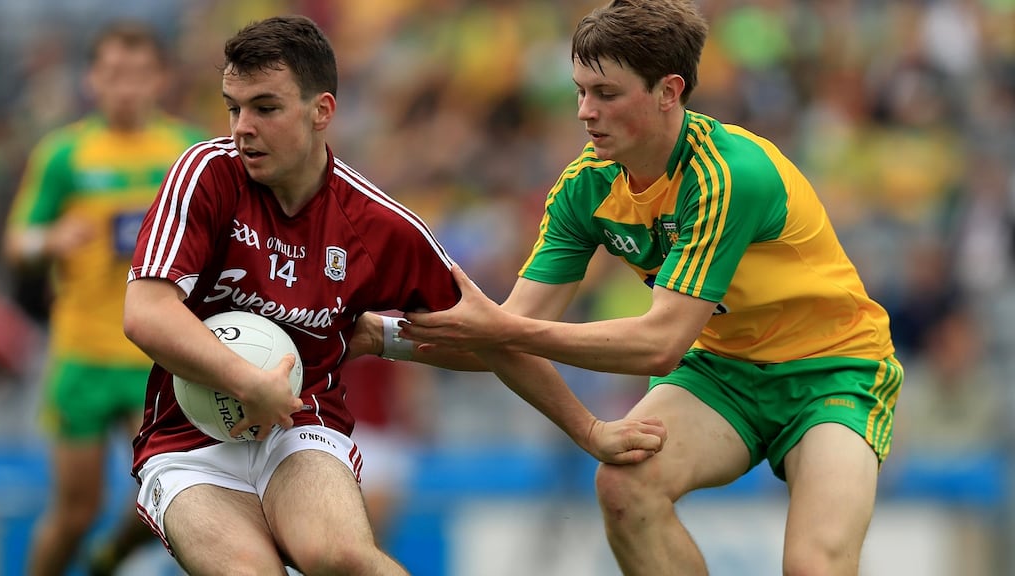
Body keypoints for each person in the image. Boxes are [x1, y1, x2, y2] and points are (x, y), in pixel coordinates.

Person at [121, 15, 665, 575]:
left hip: (301, 426)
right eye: (234, 107)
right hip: (188, 442)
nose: (242, 127)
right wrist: (247, 382)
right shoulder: (205, 175)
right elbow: (145, 314)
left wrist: (590, 429)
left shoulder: (381, 226)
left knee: (344, 558)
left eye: (266, 107)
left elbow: (490, 342)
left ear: (322, 111)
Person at [375, 1, 904, 574]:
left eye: (606, 94)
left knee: (813, 565)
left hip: (831, 369)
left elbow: (657, 344)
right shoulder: (585, 188)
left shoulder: (729, 174)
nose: (584, 112)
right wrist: (378, 336)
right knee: (626, 487)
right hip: (721, 373)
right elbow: (505, 341)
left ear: (668, 91)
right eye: (579, 91)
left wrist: (505, 329)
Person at [1, 20, 204, 576]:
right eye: (113, 74)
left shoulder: (188, 151)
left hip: (161, 357)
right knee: (74, 510)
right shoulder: (66, 154)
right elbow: (17, 242)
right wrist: (52, 238)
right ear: (92, 79)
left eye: (139, 74)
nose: (126, 87)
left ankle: (110, 558)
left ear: (161, 79)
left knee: (170, 501)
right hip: (82, 353)